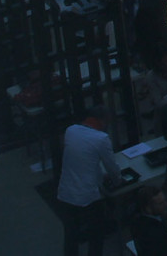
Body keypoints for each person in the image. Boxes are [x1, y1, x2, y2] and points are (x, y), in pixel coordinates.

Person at [56, 106, 119, 256]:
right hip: (88, 195)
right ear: (101, 121)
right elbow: (112, 167)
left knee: (71, 234)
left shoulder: (70, 131)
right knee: (96, 234)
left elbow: (82, 159)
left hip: (67, 192)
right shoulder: (101, 139)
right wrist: (117, 181)